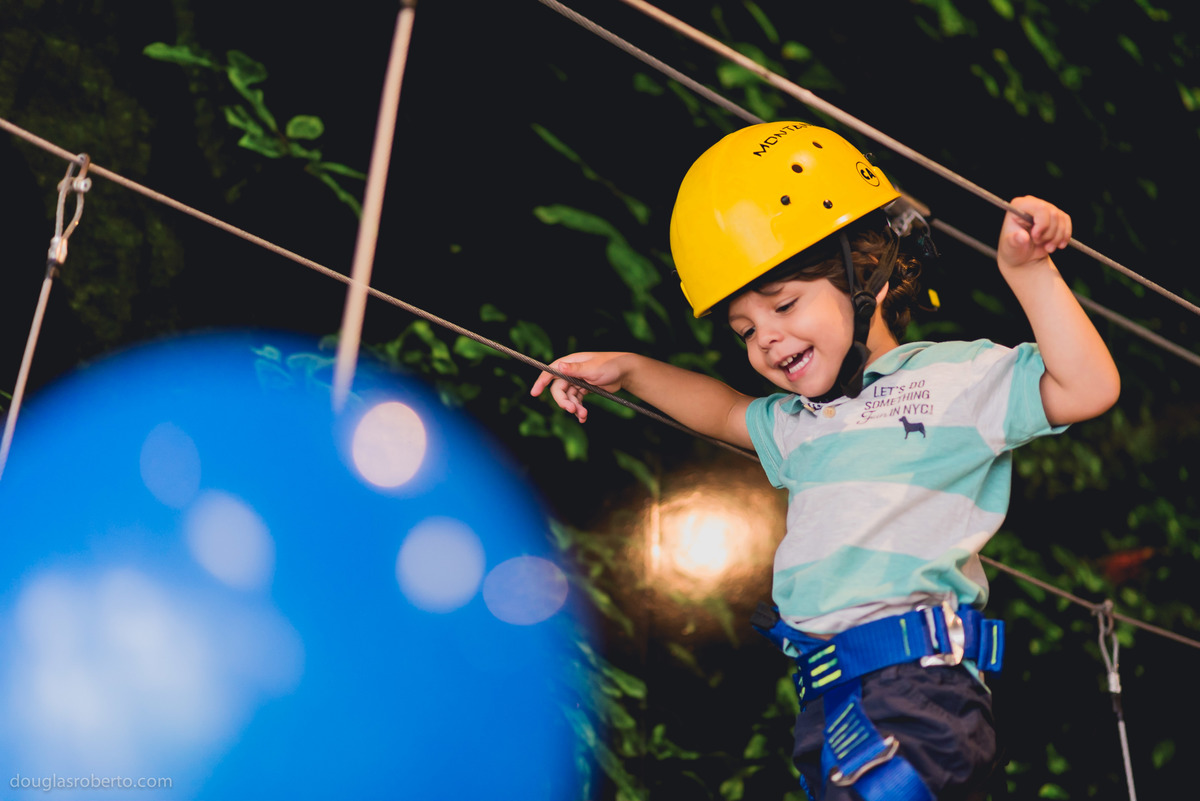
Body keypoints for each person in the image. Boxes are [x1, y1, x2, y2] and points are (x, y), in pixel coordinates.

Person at [530, 121, 1120, 801]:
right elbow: (722, 411)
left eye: (784, 304)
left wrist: (1028, 271)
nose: (766, 339)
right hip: (829, 704)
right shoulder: (802, 424)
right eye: (746, 330)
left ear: (866, 274)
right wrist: (630, 370)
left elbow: (1088, 387)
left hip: (918, 690)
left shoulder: (955, 380)